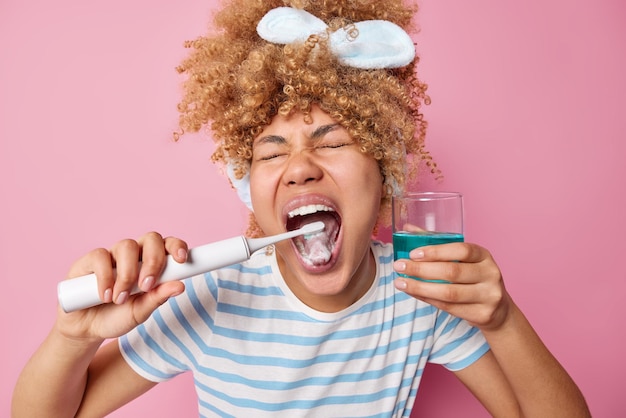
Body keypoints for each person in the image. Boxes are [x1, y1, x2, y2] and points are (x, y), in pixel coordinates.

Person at [12, 0, 590, 417]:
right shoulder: (208, 296)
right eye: (272, 150)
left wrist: (503, 320)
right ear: (248, 186)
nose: (301, 166)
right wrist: (73, 338)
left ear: (386, 174)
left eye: (334, 142)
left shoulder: (419, 293)